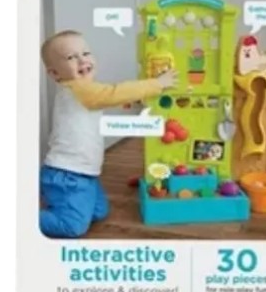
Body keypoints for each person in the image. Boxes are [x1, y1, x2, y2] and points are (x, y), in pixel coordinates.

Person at [40, 29, 178, 237]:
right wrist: (156, 84)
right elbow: (113, 93)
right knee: (72, 226)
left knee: (99, 212)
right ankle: (22, 217)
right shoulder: (78, 90)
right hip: (68, 175)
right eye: (71, 57)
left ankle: (58, 200)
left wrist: (135, 100)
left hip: (85, 174)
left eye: (85, 53)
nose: (82, 60)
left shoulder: (87, 91)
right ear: (54, 74)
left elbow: (111, 97)